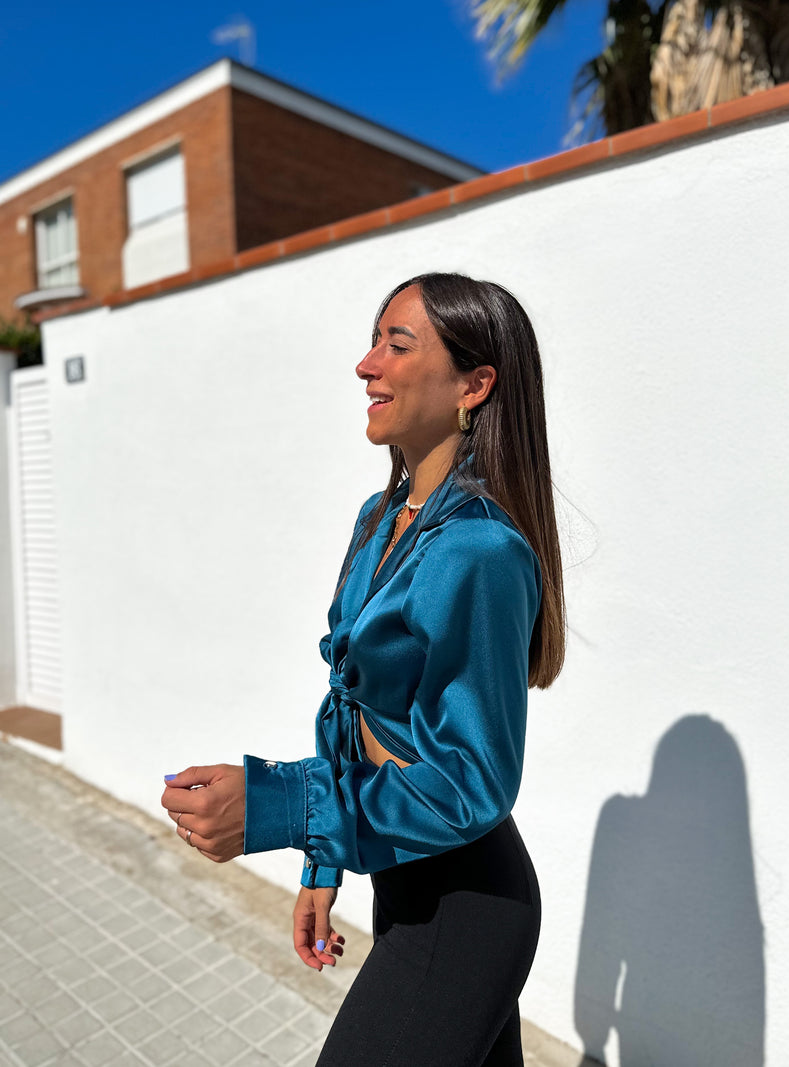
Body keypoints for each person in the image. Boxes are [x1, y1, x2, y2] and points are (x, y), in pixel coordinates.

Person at [161, 272, 566, 1066]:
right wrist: (323, 856)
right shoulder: (378, 519)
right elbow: (352, 705)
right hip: (402, 880)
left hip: (467, 902)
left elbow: (472, 784)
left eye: (397, 343)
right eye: (374, 338)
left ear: (474, 383)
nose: (366, 364)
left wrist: (282, 807)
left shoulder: (481, 550)